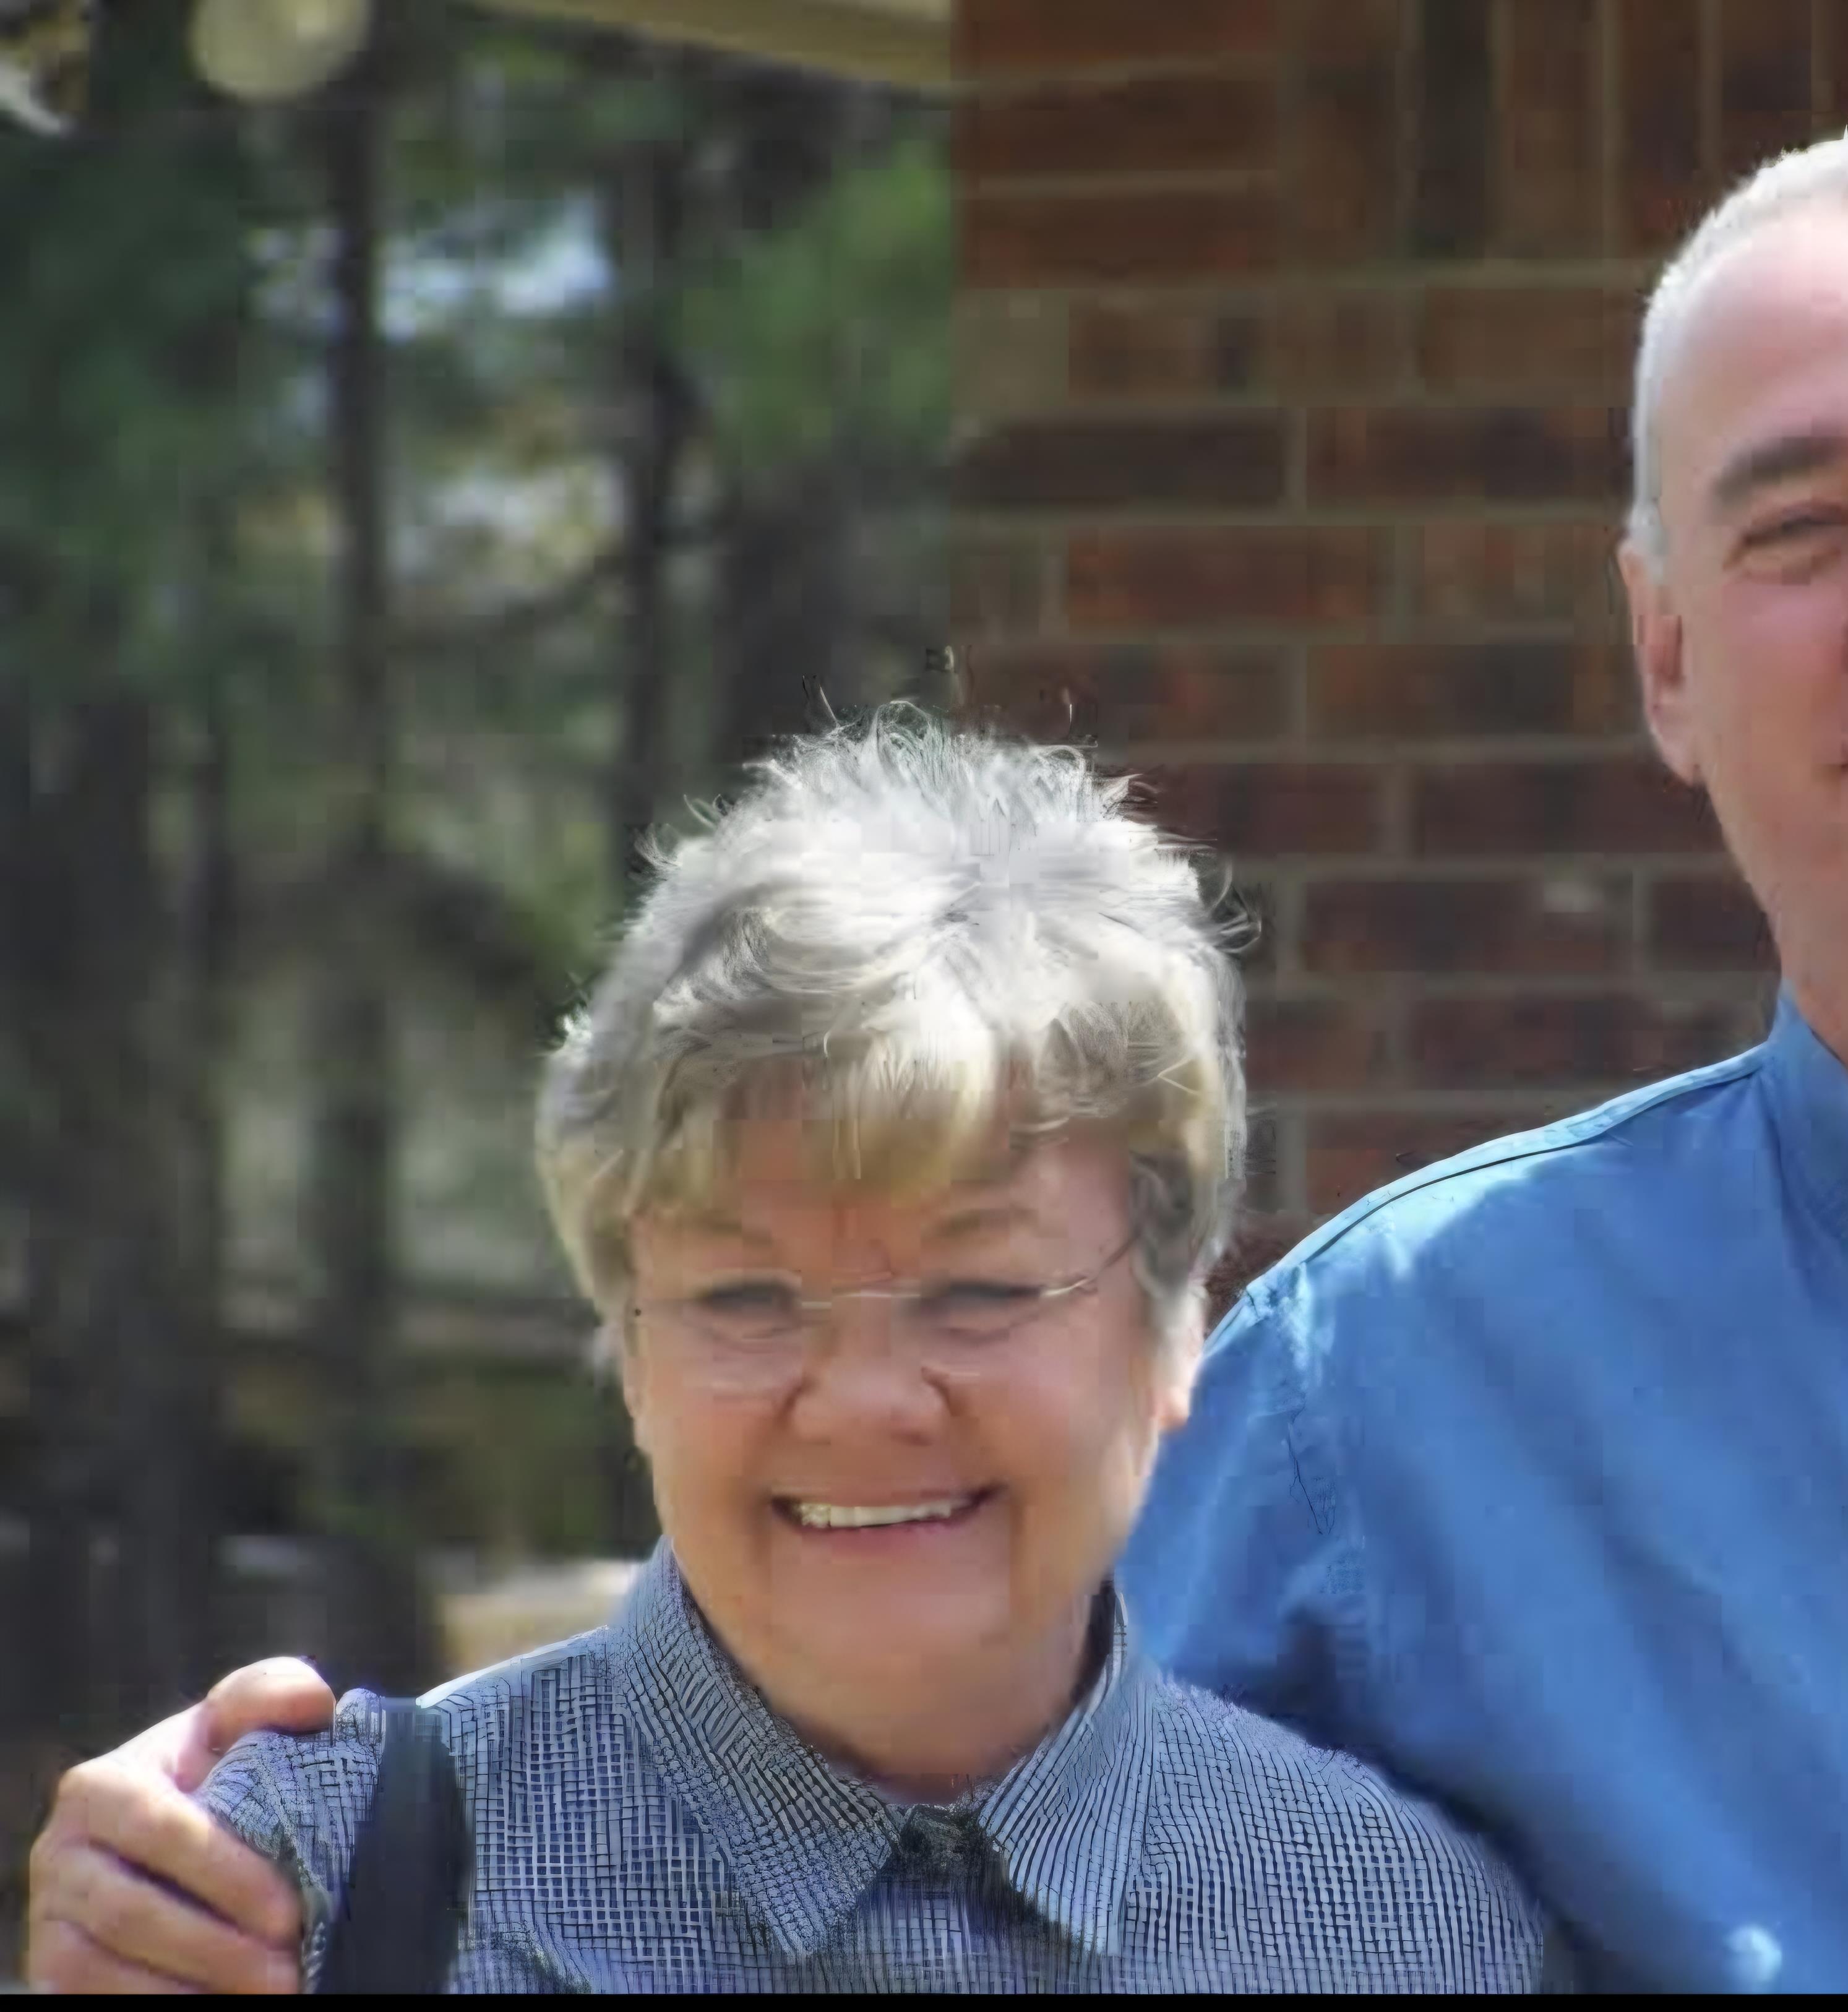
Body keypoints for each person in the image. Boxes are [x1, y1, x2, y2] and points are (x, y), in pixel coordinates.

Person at [28, 126, 1848, 1993]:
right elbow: (875, 1605)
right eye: (1792, 525)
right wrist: (273, 1854)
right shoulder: (1396, 1383)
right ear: (1653, 657)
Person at [19, 714, 1557, 1992]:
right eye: (749, 1300)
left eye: (977, 1289)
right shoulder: (298, 1893)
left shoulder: (1411, 1940)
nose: (866, 1400)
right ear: (627, 1345)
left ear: (1173, 1332)